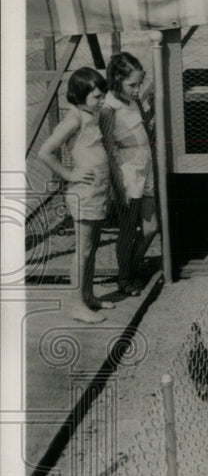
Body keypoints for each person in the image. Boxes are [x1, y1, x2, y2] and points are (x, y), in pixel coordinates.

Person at [38, 67, 113, 323]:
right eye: (97, 97)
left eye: (103, 95)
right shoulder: (74, 118)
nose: (102, 100)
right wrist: (70, 175)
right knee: (83, 250)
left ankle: (88, 296)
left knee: (91, 249)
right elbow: (45, 151)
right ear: (80, 96)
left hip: (98, 191)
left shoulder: (91, 114)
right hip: (84, 192)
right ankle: (77, 306)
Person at [99, 52, 158, 297]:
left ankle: (132, 266)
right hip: (127, 171)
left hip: (145, 165)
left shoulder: (132, 100)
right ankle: (125, 278)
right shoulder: (108, 108)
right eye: (131, 85)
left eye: (139, 84)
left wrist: (150, 109)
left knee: (150, 227)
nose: (136, 89)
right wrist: (117, 185)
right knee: (128, 228)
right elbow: (106, 149)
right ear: (116, 81)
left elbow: (140, 125)